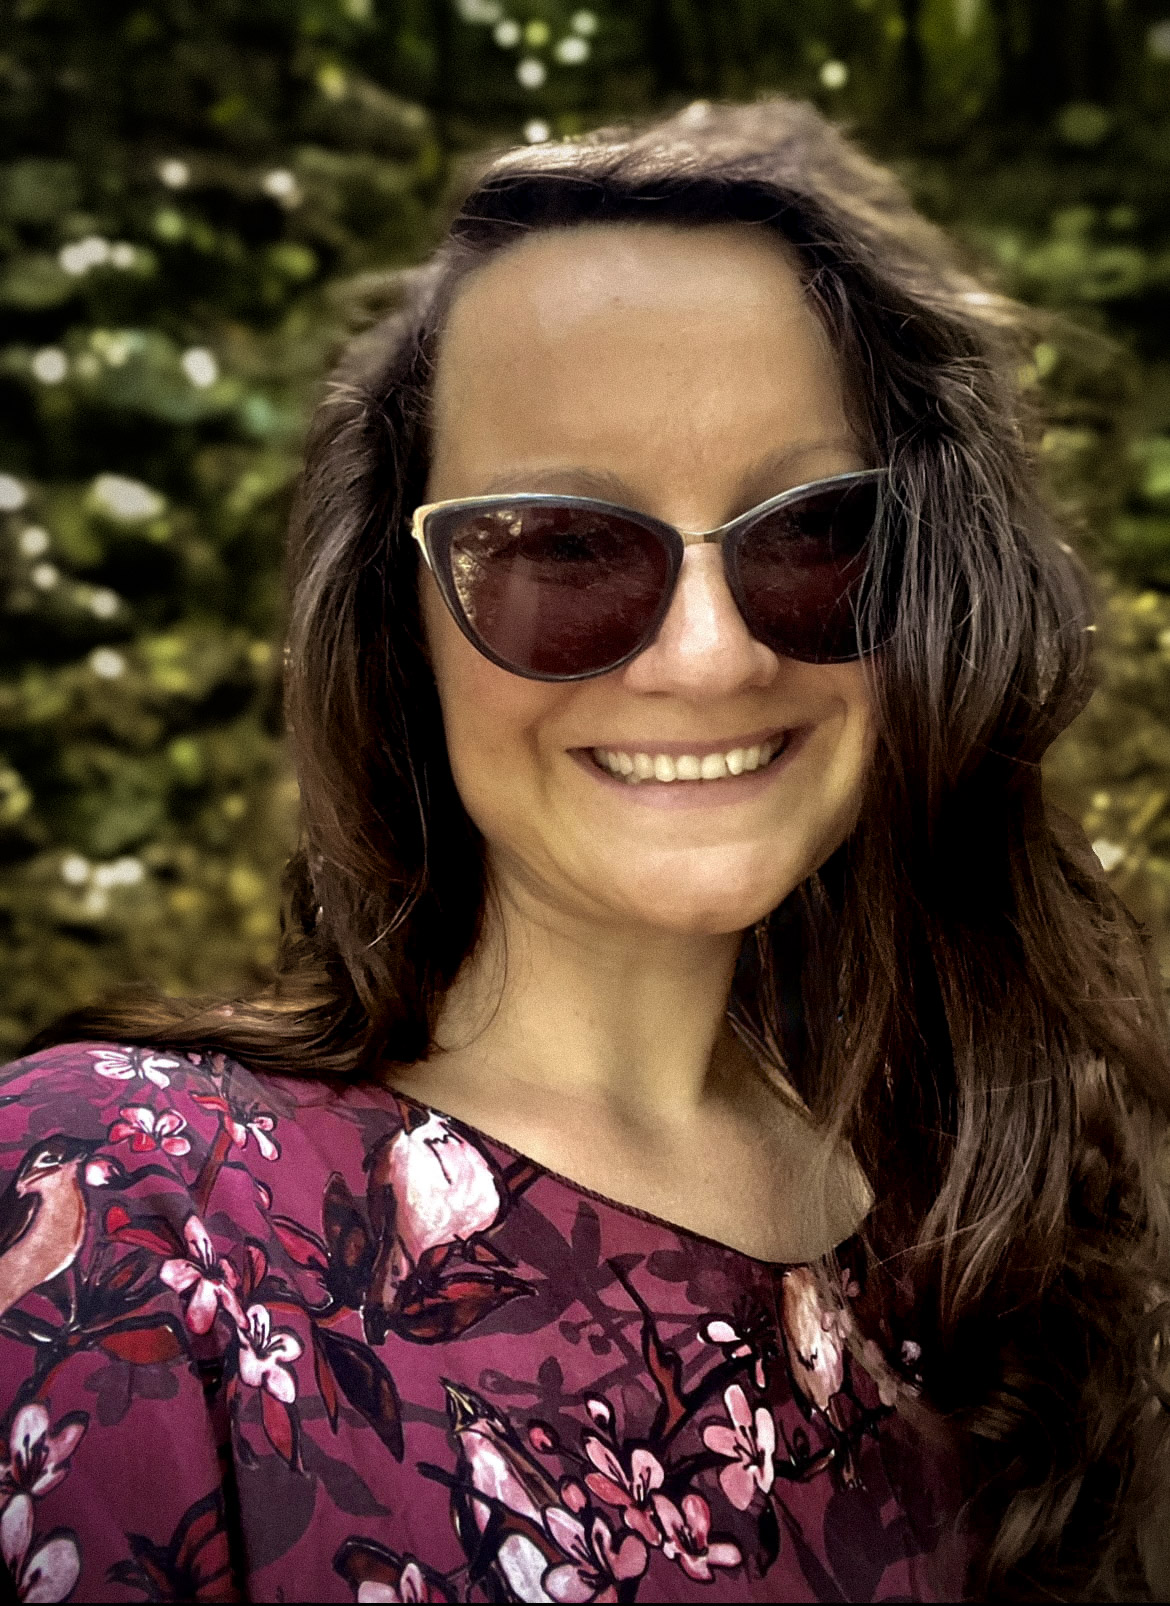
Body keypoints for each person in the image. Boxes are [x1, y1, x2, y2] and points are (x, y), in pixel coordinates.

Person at [1, 97, 1166, 1604]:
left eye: (814, 534)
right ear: (403, 622)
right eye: (563, 546)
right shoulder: (116, 1213)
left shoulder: (1014, 1238)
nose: (710, 654)